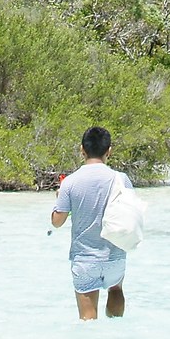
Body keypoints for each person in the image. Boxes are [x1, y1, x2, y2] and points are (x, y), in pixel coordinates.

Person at [50, 124, 133, 320]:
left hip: (85, 259)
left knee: (88, 321)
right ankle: (116, 334)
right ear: (109, 151)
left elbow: (57, 222)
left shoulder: (69, 182)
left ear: (82, 150)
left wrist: (59, 199)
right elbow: (130, 213)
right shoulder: (121, 179)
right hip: (115, 254)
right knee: (116, 289)